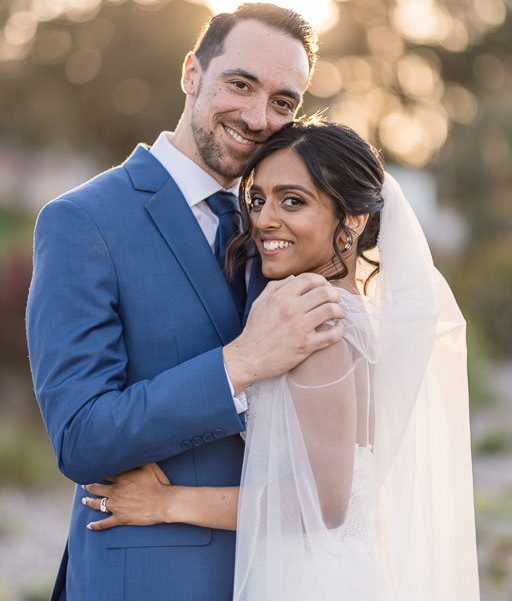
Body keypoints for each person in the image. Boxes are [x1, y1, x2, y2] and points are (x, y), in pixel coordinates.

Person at [82, 120, 480, 600]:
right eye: (257, 200)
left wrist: (167, 503)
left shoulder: (319, 328)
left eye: (293, 201)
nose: (264, 219)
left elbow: (326, 501)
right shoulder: (344, 312)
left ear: (352, 218)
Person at [26, 5, 346, 601]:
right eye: (241, 84)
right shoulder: (83, 222)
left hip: (280, 573)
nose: (258, 117)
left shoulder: (283, 229)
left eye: (283, 102)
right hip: (145, 576)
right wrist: (241, 363)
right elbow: (82, 436)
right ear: (191, 73)